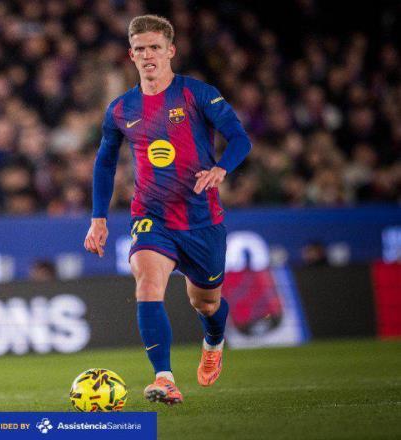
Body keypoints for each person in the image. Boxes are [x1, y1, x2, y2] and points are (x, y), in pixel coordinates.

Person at [84, 15, 251, 405]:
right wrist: (98, 218)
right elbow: (105, 163)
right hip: (151, 215)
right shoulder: (121, 109)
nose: (148, 55)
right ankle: (164, 377)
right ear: (131, 55)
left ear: (170, 51)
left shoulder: (197, 94)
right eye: (140, 49)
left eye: (155, 48)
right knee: (147, 283)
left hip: (200, 218)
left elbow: (239, 138)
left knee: (205, 302)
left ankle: (214, 339)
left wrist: (222, 168)